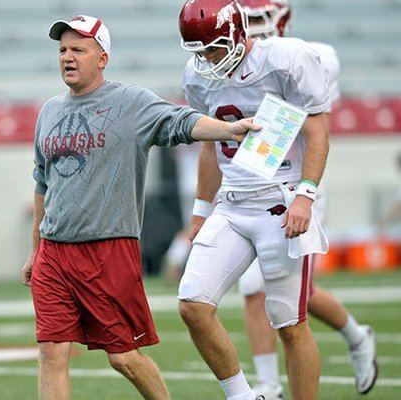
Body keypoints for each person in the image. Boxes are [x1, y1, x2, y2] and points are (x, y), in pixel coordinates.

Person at [20, 14, 259, 400]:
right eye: (62, 49)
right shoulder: (49, 111)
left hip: (106, 250)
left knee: (123, 357)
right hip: (53, 253)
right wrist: (35, 249)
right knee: (51, 351)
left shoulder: (130, 102)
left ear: (102, 57)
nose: (67, 56)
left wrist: (229, 129)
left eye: (78, 49)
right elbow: (42, 185)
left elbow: (182, 122)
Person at [177, 0, 332, 399]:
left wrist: (305, 196)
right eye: (199, 51)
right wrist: (199, 211)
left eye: (212, 47)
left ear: (238, 33)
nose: (207, 59)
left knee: (289, 324)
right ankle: (245, 395)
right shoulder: (198, 78)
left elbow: (317, 130)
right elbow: (209, 146)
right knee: (192, 303)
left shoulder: (285, 59)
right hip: (231, 203)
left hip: (280, 200)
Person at [233, 1, 377, 398]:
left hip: (301, 183)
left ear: (282, 19)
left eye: (261, 19)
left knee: (299, 293)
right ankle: (268, 385)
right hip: (257, 181)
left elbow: (304, 120)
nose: (256, 29)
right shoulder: (239, 60)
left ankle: (356, 335)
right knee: (253, 287)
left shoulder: (311, 55)